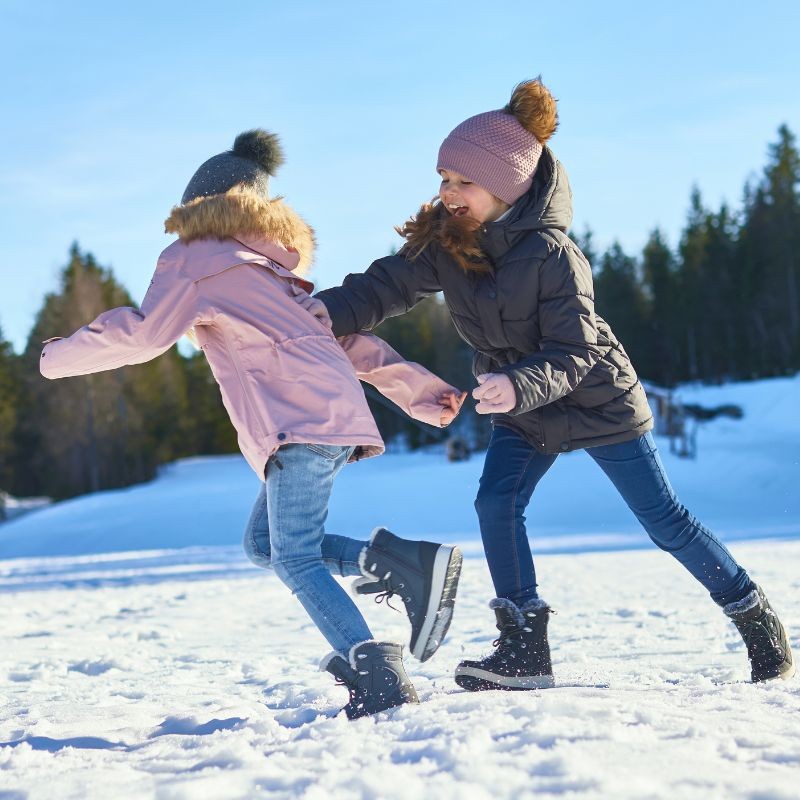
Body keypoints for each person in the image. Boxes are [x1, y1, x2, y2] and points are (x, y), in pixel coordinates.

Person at [313, 79, 794, 689]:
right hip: (524, 407)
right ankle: (523, 650)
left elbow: (576, 350)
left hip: (597, 399)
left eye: (463, 182)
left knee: (664, 520)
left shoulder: (553, 253)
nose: (447, 193)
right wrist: (329, 312)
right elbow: (382, 287)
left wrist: (517, 385)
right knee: (497, 503)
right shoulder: (446, 245)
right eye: (443, 178)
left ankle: (754, 618)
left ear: (506, 187)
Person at [39, 130, 466, 719]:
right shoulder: (272, 273)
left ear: (197, 206)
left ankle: (376, 670)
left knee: (293, 557)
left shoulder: (193, 259)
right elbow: (351, 343)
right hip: (330, 420)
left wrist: (57, 357)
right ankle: (393, 563)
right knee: (264, 544)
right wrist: (424, 394)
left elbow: (143, 334)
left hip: (297, 424)